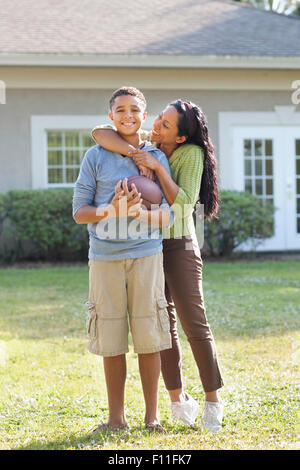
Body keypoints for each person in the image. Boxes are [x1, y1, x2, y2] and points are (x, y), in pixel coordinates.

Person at [92, 98, 224, 432]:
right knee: (162, 326)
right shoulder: (147, 146)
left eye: (165, 124)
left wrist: (159, 168)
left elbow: (182, 206)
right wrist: (137, 155)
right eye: (160, 119)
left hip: (177, 242)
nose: (157, 126)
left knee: (194, 324)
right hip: (150, 245)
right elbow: (99, 133)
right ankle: (177, 400)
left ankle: (212, 402)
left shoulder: (189, 154)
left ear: (180, 137)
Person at [73, 86, 174, 433]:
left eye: (134, 110)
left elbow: (168, 217)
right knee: (111, 339)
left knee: (150, 336)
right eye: (120, 110)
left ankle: (152, 416)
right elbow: (79, 212)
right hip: (104, 259)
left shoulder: (156, 158)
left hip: (146, 255)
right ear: (111, 116)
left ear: (144, 116)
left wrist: (140, 214)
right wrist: (110, 210)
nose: (127, 115)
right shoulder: (95, 156)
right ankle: (117, 419)